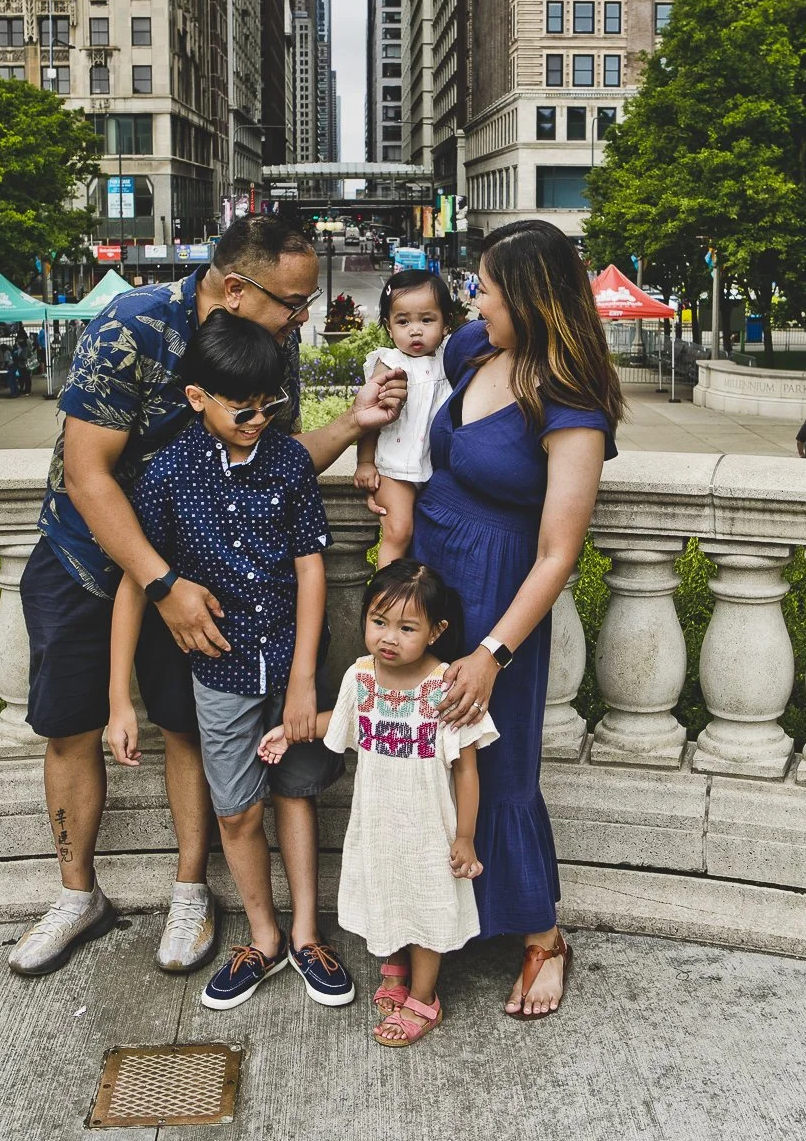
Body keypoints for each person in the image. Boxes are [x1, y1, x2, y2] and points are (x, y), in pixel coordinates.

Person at [10, 216, 407, 980]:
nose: (302, 318)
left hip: (204, 577)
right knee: (68, 725)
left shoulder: (270, 346)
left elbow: (272, 462)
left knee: (187, 725)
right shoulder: (133, 325)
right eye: (294, 302)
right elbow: (90, 476)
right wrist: (161, 586)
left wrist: (356, 421)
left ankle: (191, 890)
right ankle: (75, 895)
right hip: (89, 558)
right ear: (235, 289)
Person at [108, 313, 355, 1010]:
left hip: (289, 667)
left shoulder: (287, 461)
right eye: (242, 408)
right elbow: (135, 583)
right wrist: (119, 701)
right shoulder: (168, 475)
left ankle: (308, 934)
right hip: (217, 674)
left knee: (297, 793)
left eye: (270, 404)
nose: (258, 419)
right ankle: (264, 936)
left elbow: (312, 569)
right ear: (197, 399)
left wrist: (304, 677)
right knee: (237, 809)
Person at [408, 220, 621, 1019]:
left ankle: (541, 937)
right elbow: (410, 390)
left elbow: (559, 552)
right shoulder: (472, 351)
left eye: (487, 287)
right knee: (428, 753)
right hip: (431, 583)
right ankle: (444, 918)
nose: (474, 299)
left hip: (502, 595)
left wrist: (494, 652)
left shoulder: (571, 397)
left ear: (528, 296)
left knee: (500, 767)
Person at [259, 560, 497, 1045]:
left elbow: (467, 769)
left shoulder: (446, 689)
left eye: (407, 628)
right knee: (386, 892)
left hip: (430, 827)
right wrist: (289, 732)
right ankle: (395, 964)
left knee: (426, 904)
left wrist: (465, 837)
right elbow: (337, 720)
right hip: (377, 821)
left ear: (436, 631)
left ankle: (424, 997)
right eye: (378, 621)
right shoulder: (361, 676)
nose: (388, 637)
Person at [354, 272, 453, 567]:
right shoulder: (390, 363)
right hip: (395, 467)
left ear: (446, 323)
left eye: (427, 320)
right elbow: (369, 418)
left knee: (430, 538)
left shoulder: (448, 358)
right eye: (403, 321)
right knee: (399, 531)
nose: (415, 331)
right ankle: (386, 591)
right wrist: (365, 462)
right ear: (388, 326)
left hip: (435, 467)